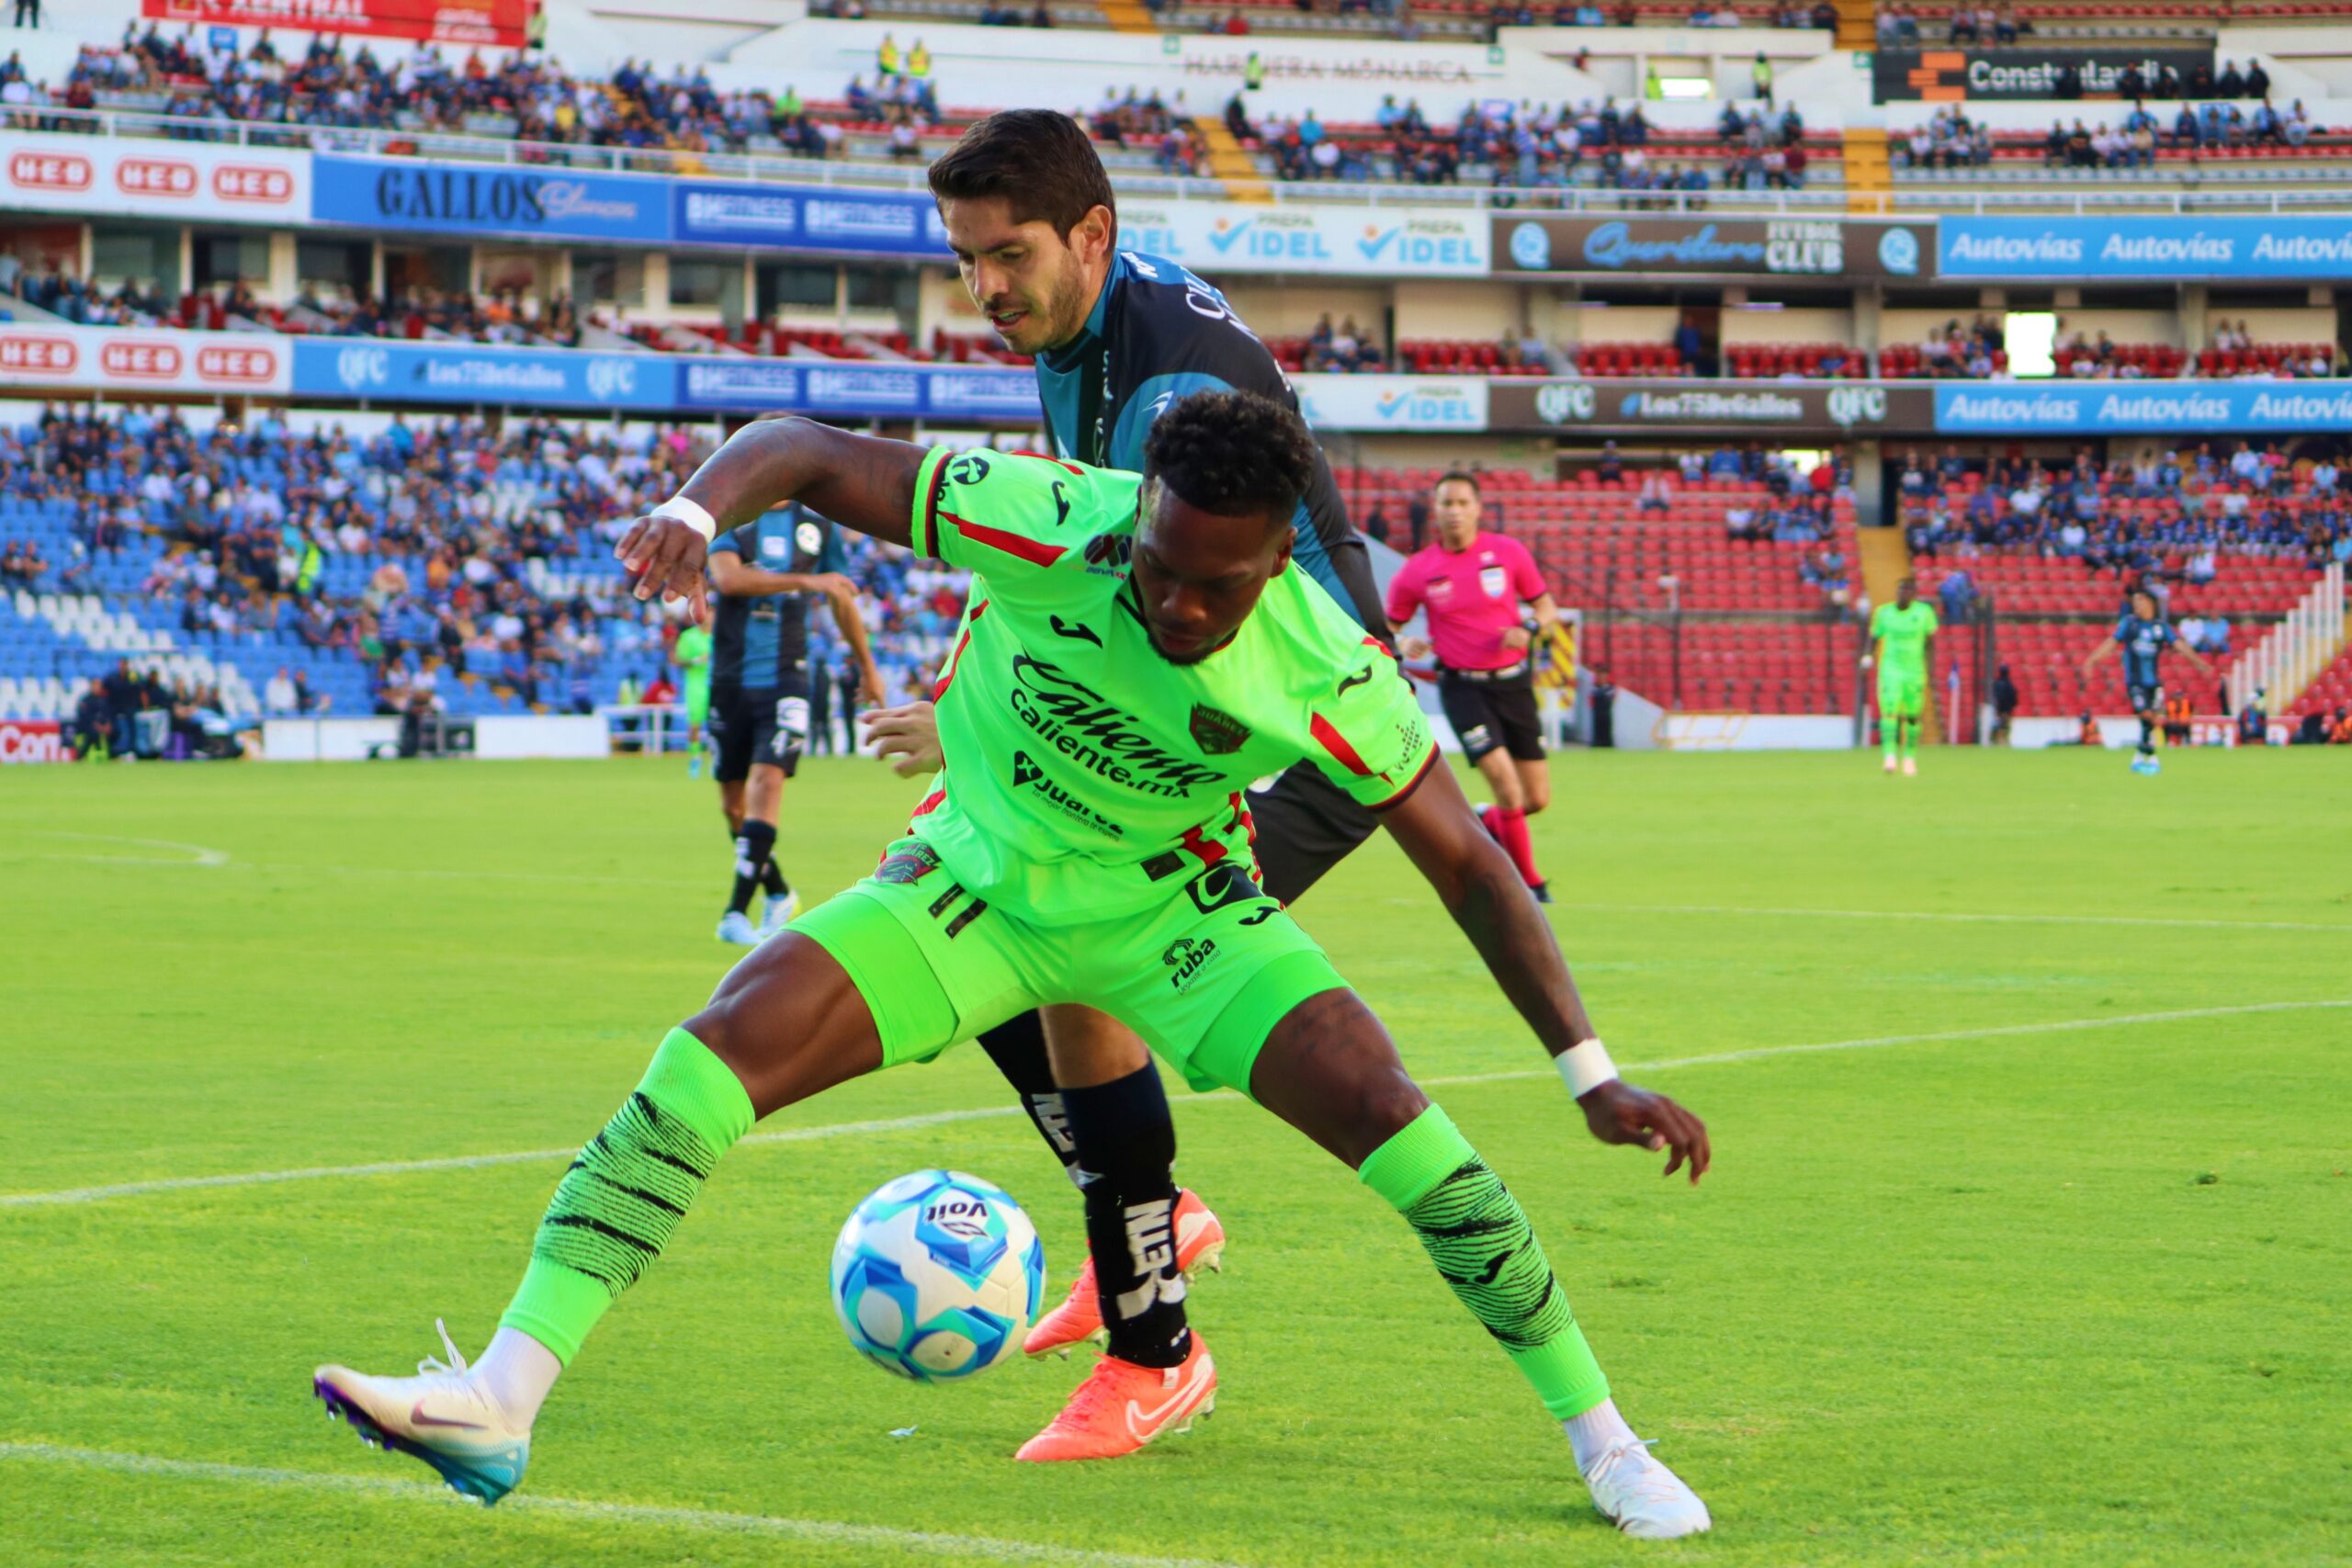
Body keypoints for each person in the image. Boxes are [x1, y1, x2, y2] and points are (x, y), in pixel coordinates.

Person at [313, 392, 1715, 1540]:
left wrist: (1590, 1072)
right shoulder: (1054, 515)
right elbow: (803, 450)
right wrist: (694, 507)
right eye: (1158, 563)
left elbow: (1470, 861)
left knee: (1413, 1137)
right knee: (713, 1050)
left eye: (1211, 586)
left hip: (1179, 918)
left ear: (1282, 555)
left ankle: (1605, 1438)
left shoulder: (1328, 664)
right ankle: (503, 1394)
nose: (1171, 600)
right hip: (974, 885)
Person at [857, 107, 1436, 1439]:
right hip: (1193, 710)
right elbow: (1057, 557)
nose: (984, 288)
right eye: (966, 261)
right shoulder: (1080, 332)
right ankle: (1149, 1231)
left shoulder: (1170, 384)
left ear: (1091, 234)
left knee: (1052, 936)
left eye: (1005, 255)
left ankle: (1154, 1336)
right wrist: (965, 713)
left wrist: (974, 739)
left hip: (1299, 735)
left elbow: (1157, 621)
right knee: (964, 894)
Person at [704, 502, 884, 943]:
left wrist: (867, 666)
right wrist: (806, 580)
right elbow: (727, 578)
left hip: (788, 678)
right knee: (733, 805)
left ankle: (735, 912)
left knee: (767, 781)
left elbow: (840, 596)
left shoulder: (818, 528)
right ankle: (779, 893)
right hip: (730, 680)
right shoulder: (733, 517)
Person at [1387, 472, 1561, 900]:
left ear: (1478, 508)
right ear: (1436, 511)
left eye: (1463, 503)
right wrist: (1402, 641)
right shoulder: (1419, 570)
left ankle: (1484, 821)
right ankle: (1530, 885)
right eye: (1447, 503)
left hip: (1513, 684)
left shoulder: (1508, 553)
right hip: (1463, 688)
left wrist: (1530, 626)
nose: (1455, 511)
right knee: (1505, 782)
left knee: (1535, 798)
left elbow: (1545, 606)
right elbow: (1385, 628)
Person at [2083, 588, 2212, 776]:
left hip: (2154, 682)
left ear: (2150, 603)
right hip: (2135, 681)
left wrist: (2199, 663)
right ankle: (2151, 757)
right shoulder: (2129, 624)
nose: (2137, 605)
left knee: (2151, 719)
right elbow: (2112, 642)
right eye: (2135, 602)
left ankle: (2139, 757)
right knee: (2146, 715)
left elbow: (2180, 646)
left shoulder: (2160, 627)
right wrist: (2092, 660)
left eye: (2140, 601)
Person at [1865, 576, 1937, 775]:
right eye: (1900, 590)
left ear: (1913, 594)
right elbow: (1874, 637)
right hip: (1891, 669)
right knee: (1889, 711)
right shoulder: (1884, 613)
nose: (1902, 594)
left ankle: (1909, 758)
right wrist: (1868, 657)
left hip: (1914, 671)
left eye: (1907, 590)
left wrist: (1930, 667)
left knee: (1913, 716)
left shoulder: (1924, 613)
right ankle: (1889, 756)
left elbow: (1930, 642)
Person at [673, 618, 712, 773]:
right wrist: (697, 660)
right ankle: (695, 758)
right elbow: (679, 660)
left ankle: (716, 759)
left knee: (718, 725)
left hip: (717, 684)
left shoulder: (719, 636)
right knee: (695, 725)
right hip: (695, 686)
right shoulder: (688, 636)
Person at [1989, 663, 2017, 747]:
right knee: (2005, 727)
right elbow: (2013, 698)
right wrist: (2011, 707)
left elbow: (1994, 697)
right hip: (2006, 711)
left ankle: (1998, 741)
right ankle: (2003, 742)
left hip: (1998, 710)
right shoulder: (2009, 684)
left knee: (1999, 726)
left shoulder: (1996, 684)